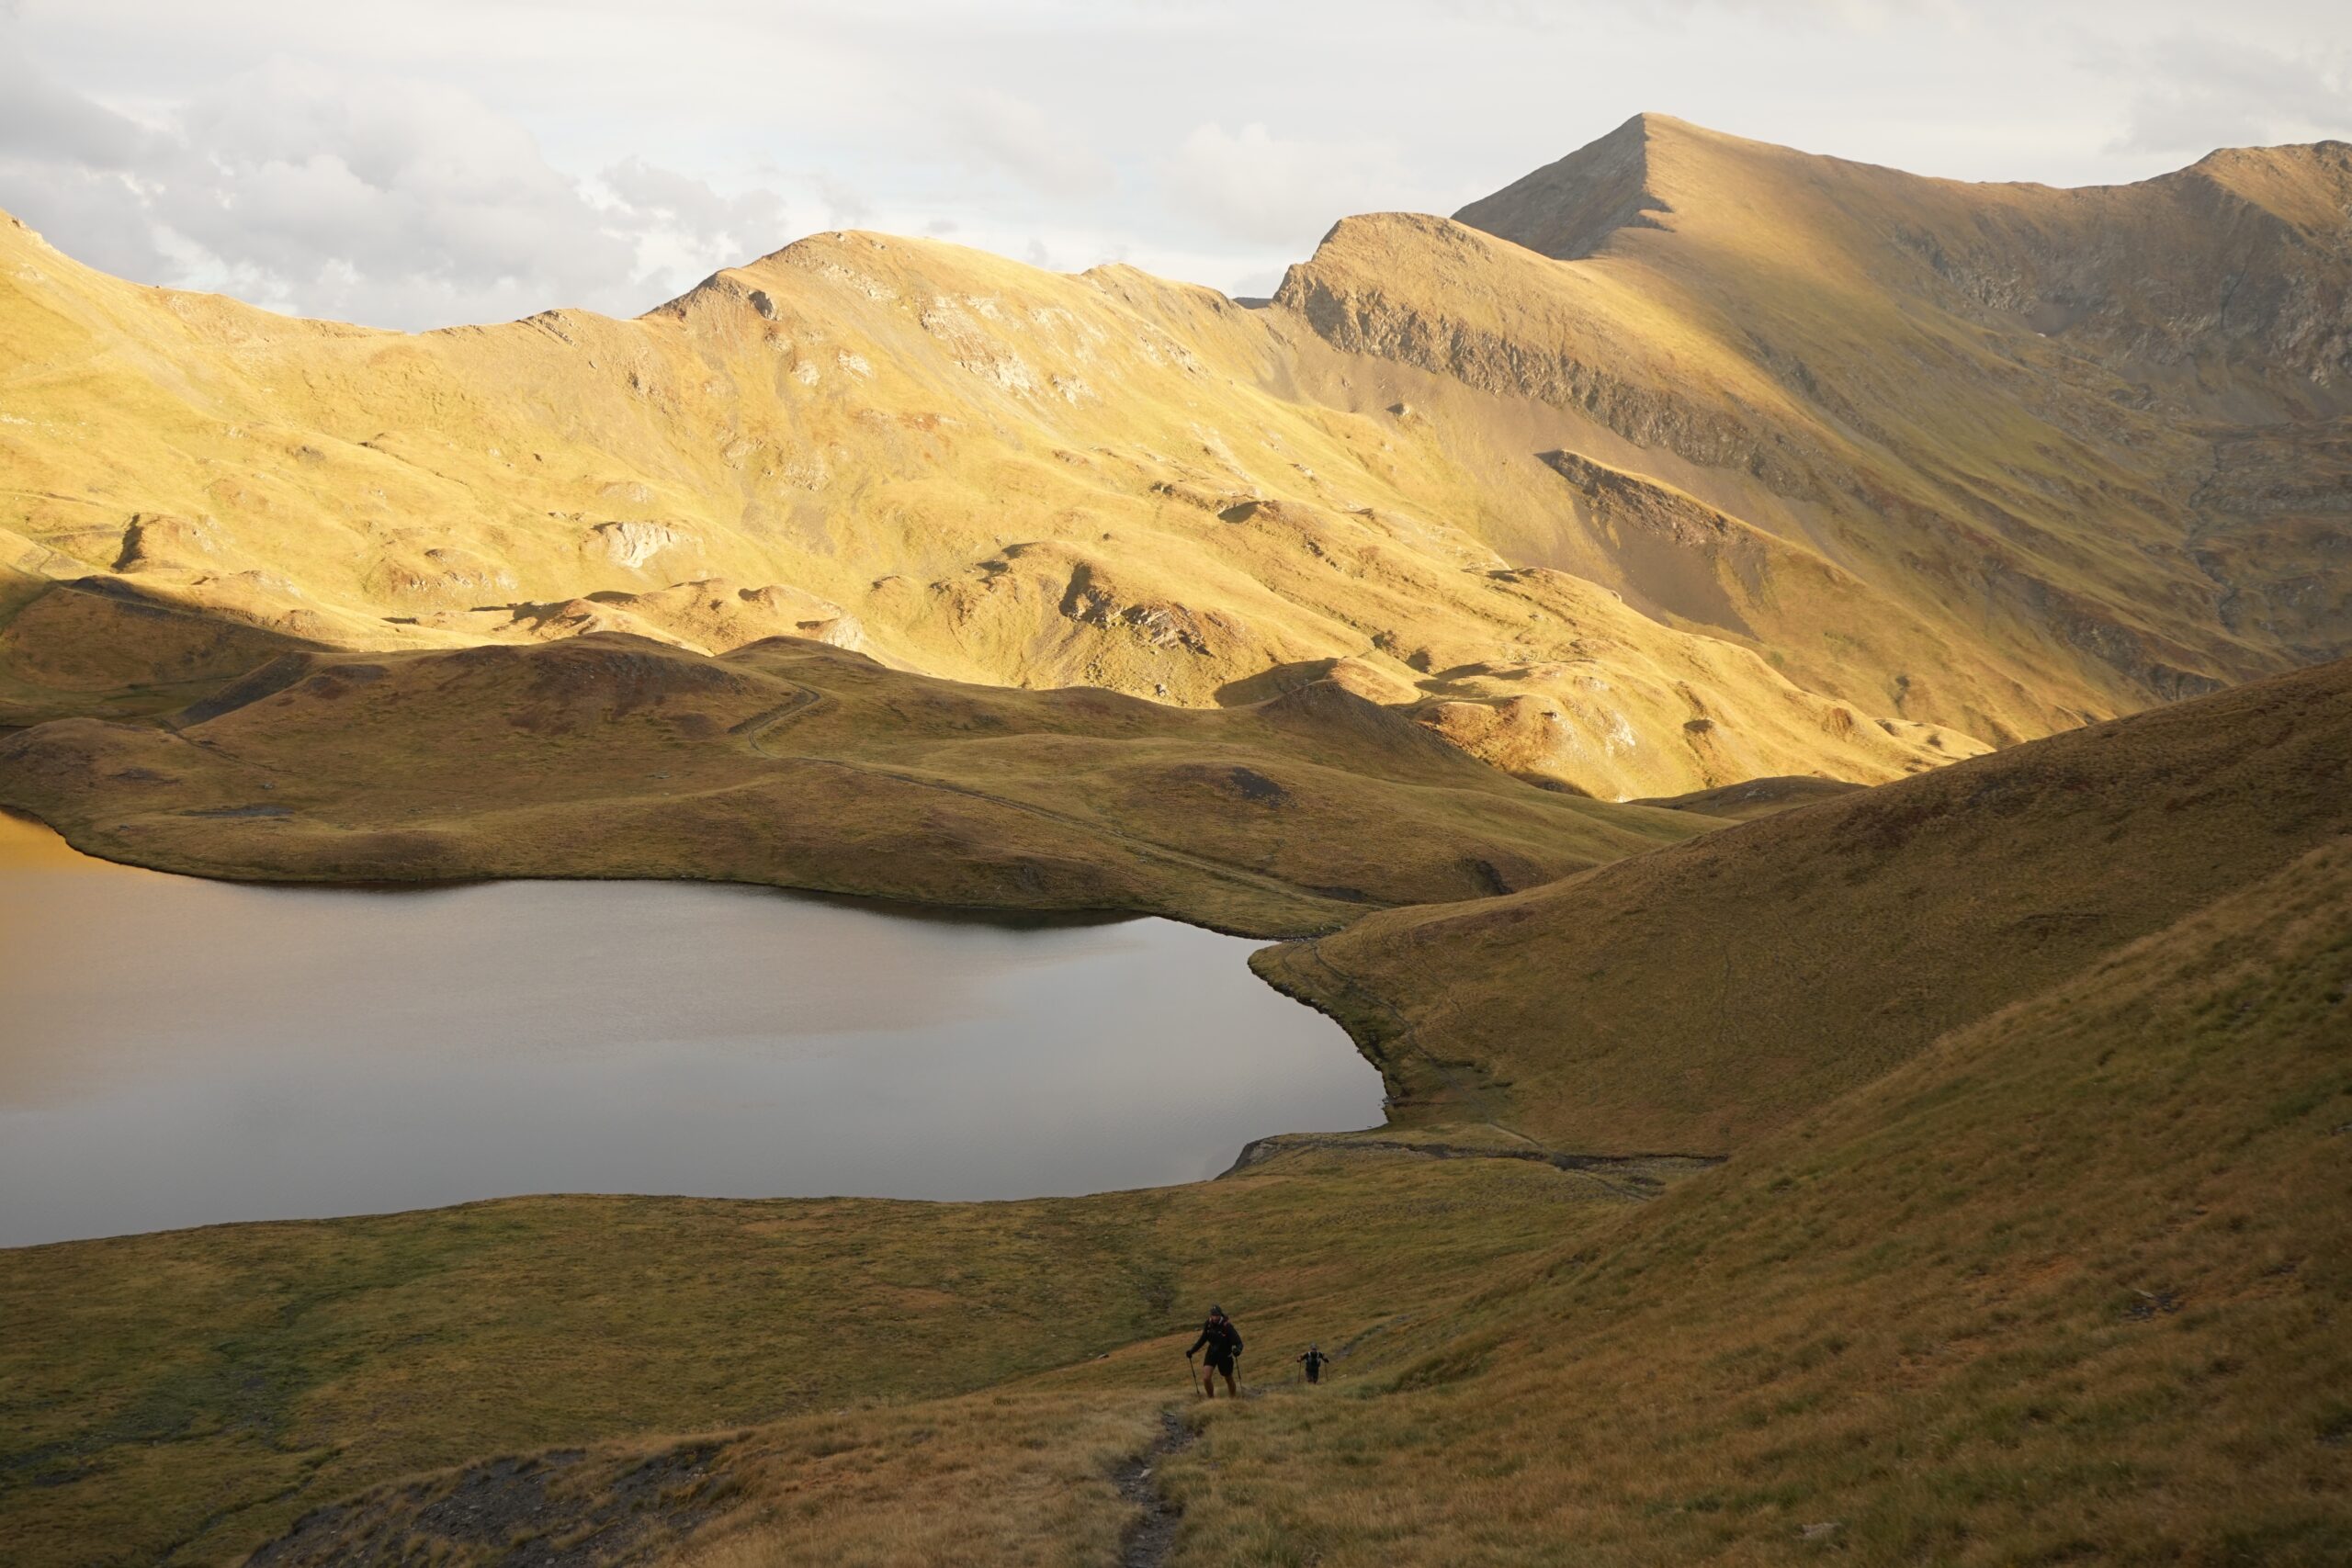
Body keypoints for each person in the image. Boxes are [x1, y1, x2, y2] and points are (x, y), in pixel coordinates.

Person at [1186, 1303, 1243, 1398]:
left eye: (1217, 1315)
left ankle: (1233, 1399)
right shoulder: (1208, 1324)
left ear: (1220, 1315)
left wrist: (1238, 1350)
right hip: (1212, 1352)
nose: (1215, 1318)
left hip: (1225, 1355)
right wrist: (1192, 1351)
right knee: (1206, 1378)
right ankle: (1211, 1400)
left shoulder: (1227, 1326)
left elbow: (1239, 1343)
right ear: (1211, 1315)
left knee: (1228, 1378)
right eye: (1213, 1315)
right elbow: (1202, 1340)